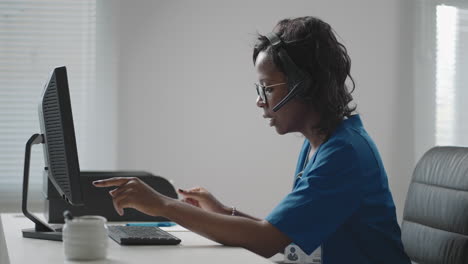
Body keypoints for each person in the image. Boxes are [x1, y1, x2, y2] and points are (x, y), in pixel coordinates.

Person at [93, 16, 411, 263]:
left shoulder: (344, 155)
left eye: (268, 89)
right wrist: (222, 211)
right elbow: (284, 234)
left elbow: (267, 240)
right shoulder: (321, 144)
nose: (261, 101)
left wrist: (164, 205)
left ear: (307, 86)